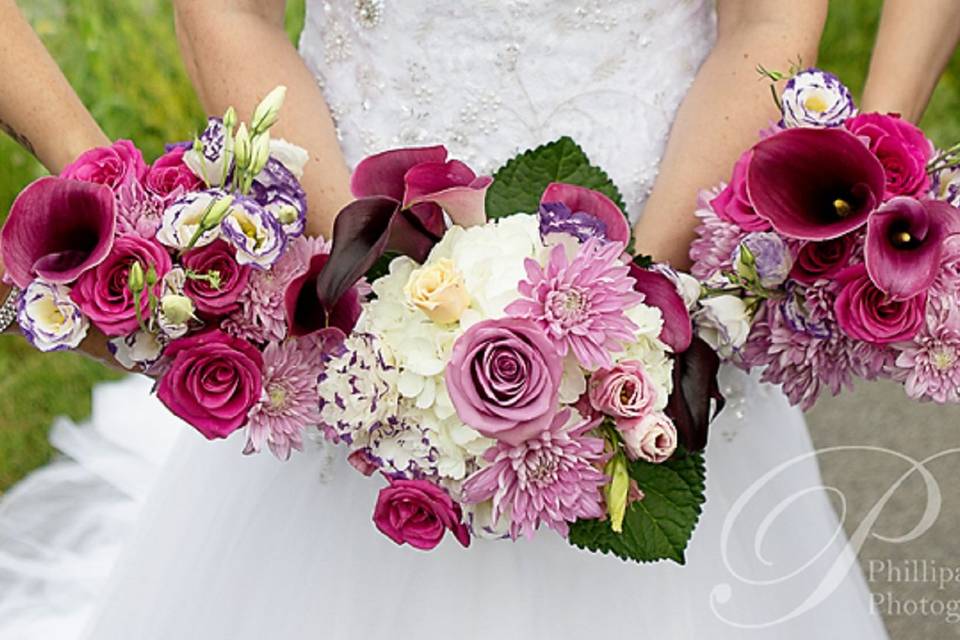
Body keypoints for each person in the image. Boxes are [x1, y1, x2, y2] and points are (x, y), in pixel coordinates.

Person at [0, 0, 954, 638]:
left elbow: (767, 15)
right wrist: (369, 289)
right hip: (351, 252)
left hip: (666, 233)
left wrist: (640, 315)